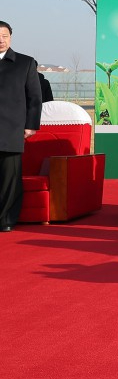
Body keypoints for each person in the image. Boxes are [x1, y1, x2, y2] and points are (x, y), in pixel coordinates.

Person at [0, 21, 43, 232]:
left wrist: (31, 125)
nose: (1, 40)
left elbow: (34, 97)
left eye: (5, 36)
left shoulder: (24, 63)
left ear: (11, 37)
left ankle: (6, 219)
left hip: (11, 129)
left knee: (10, 178)